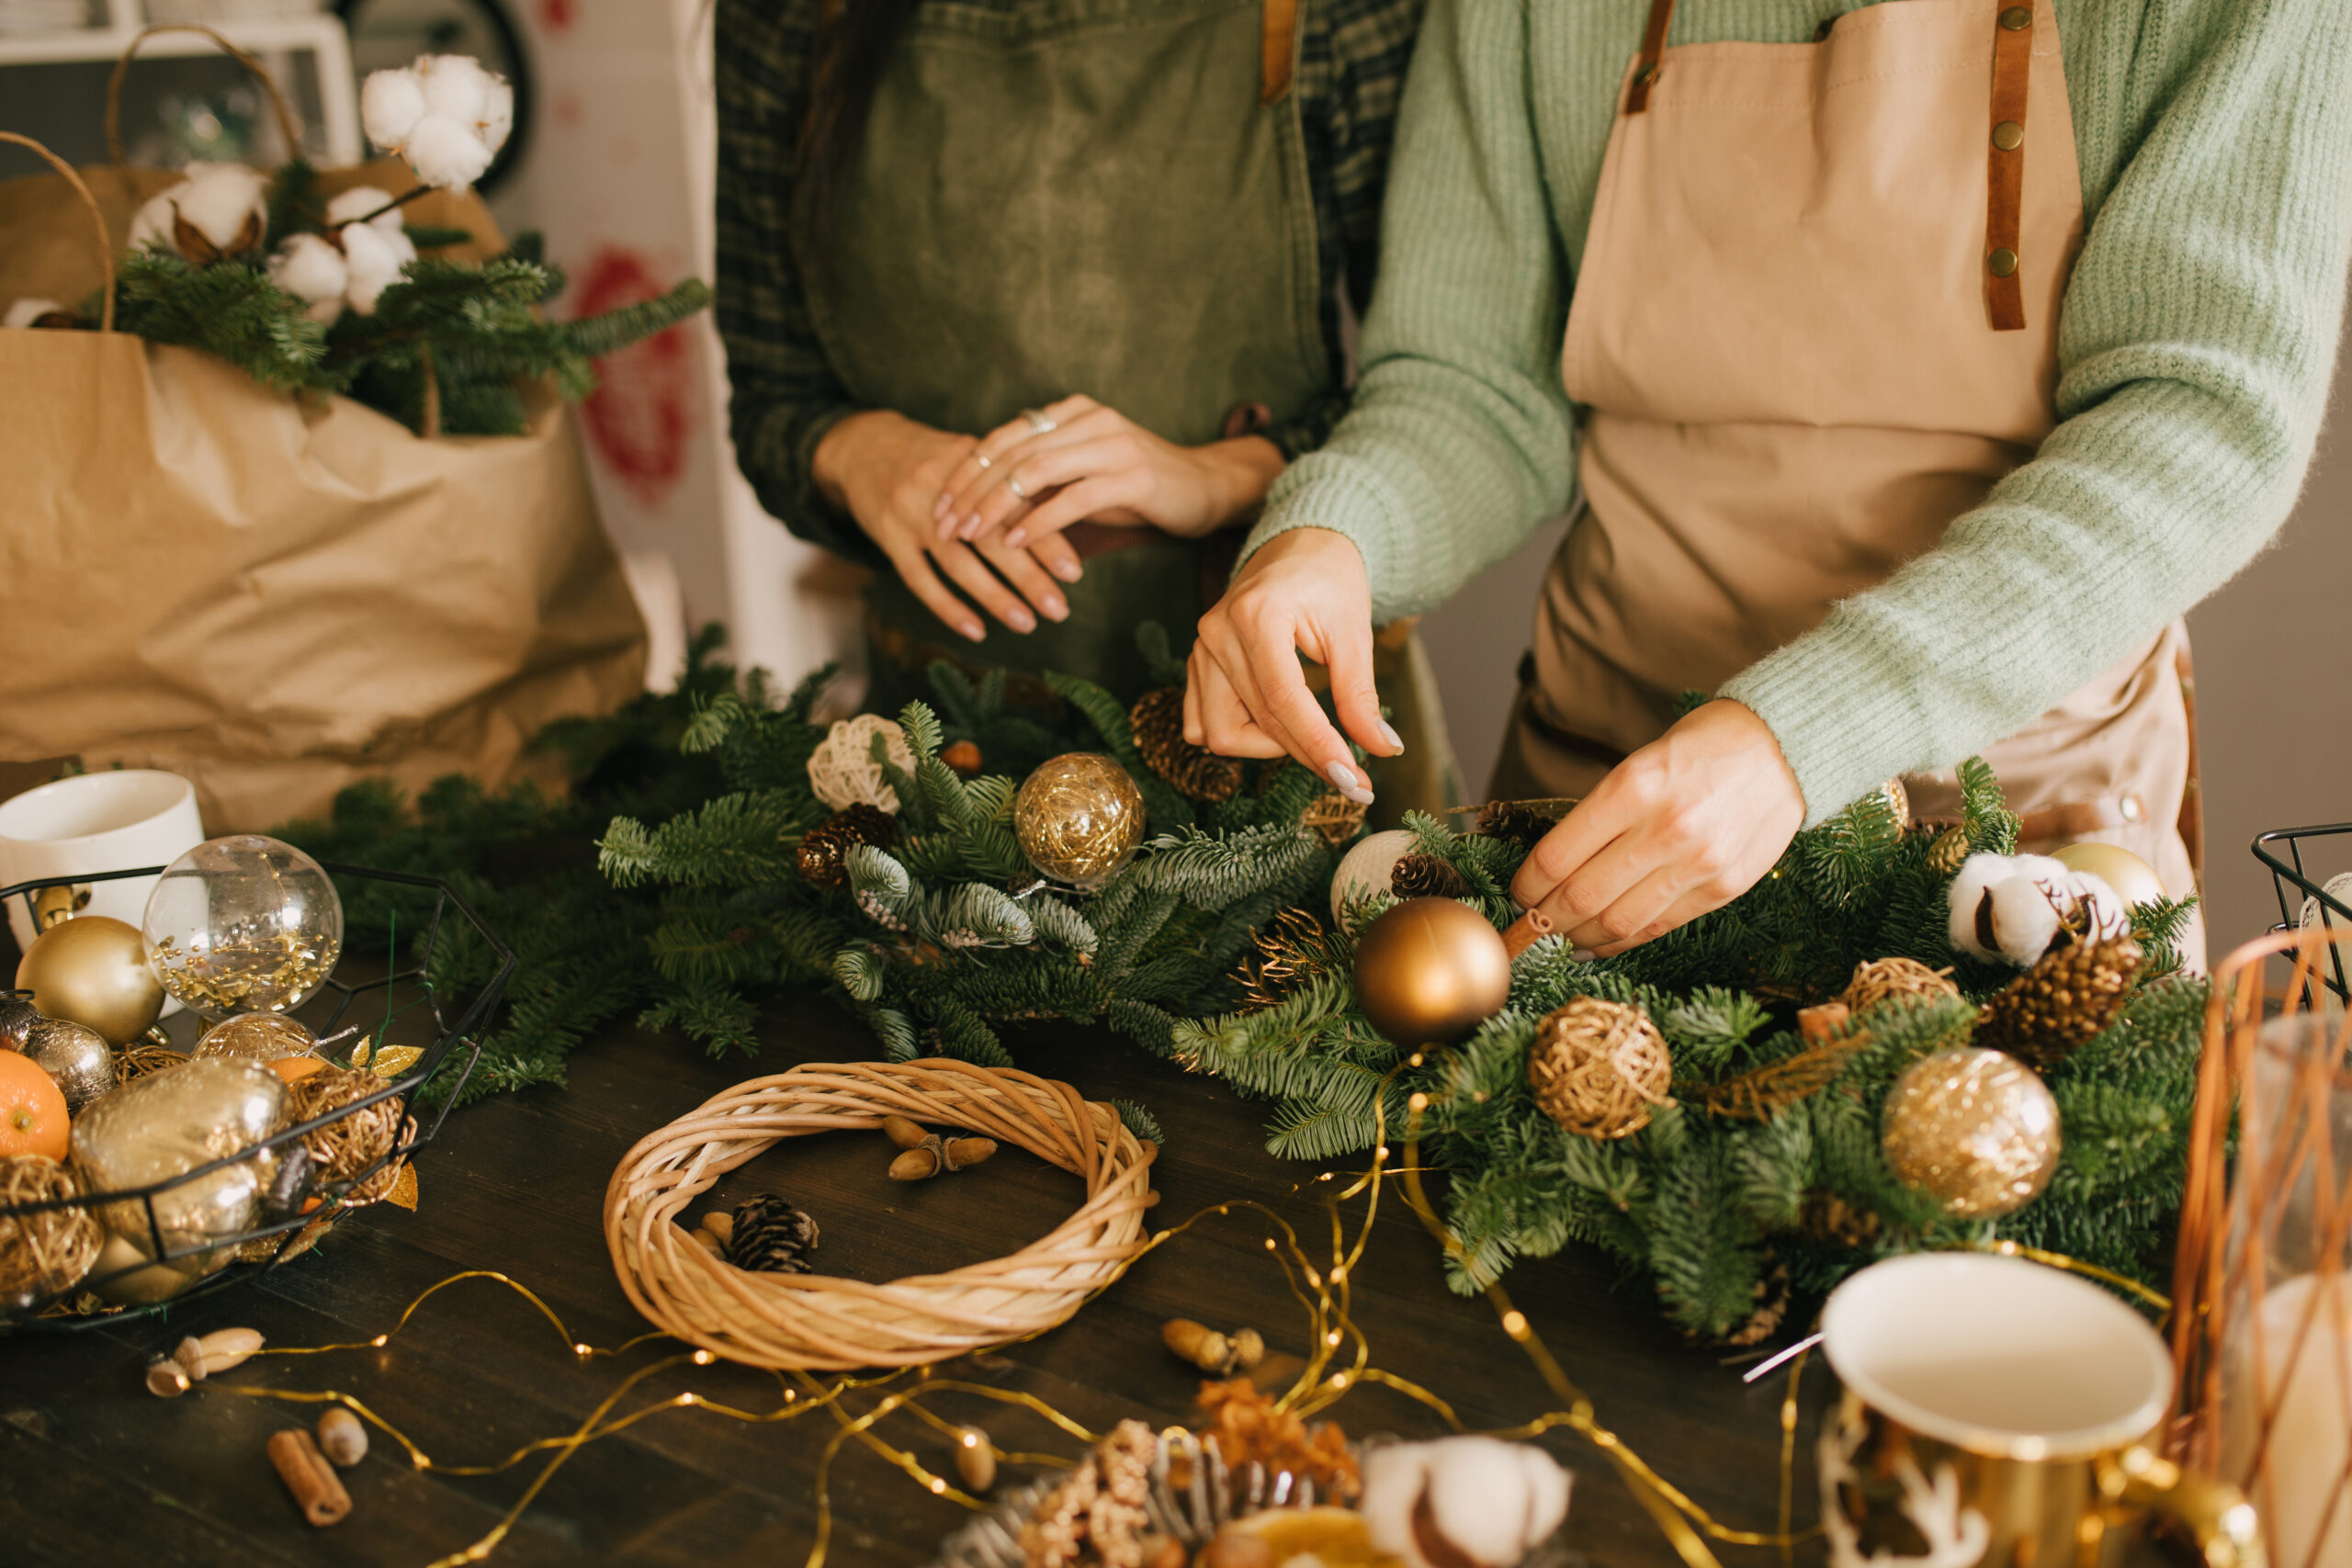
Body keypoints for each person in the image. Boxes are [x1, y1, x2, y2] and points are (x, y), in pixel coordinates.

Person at [1186, 0, 2352, 956]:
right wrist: (1334, 536)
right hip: (1588, 822)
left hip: (2013, 856)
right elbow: (1471, 381)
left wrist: (1797, 733)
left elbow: (2202, 411)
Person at [715, 0, 1455, 815]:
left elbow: (1444, 393)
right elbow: (773, 393)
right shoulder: (781, 16)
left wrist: (1219, 476)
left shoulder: (1343, 13)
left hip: (1285, 758)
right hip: (940, 774)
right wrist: (851, 447)